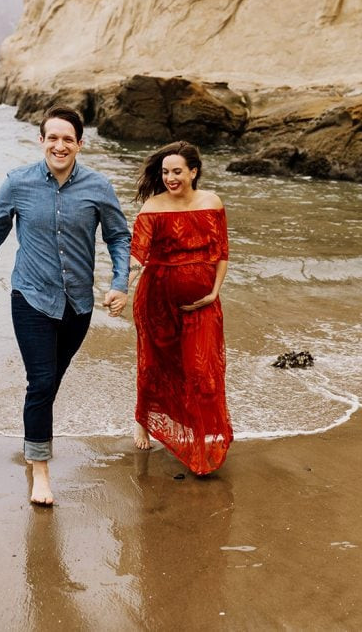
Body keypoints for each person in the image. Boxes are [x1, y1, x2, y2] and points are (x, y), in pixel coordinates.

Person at [0, 106, 131, 505]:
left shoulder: (98, 187)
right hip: (31, 297)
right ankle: (40, 467)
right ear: (40, 141)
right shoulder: (17, 183)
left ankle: (33, 435)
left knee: (50, 382)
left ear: (79, 143)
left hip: (78, 303)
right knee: (41, 382)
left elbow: (119, 237)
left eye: (68, 139)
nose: (60, 145)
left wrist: (120, 283)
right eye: (52, 138)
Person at [129, 141, 233, 475]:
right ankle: (143, 422)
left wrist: (213, 292)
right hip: (156, 301)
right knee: (154, 365)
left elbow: (221, 252)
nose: (170, 178)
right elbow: (137, 255)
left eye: (177, 171)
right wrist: (121, 285)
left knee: (203, 372)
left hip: (202, 304)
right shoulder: (152, 208)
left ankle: (202, 437)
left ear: (193, 171)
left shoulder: (211, 202)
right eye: (165, 172)